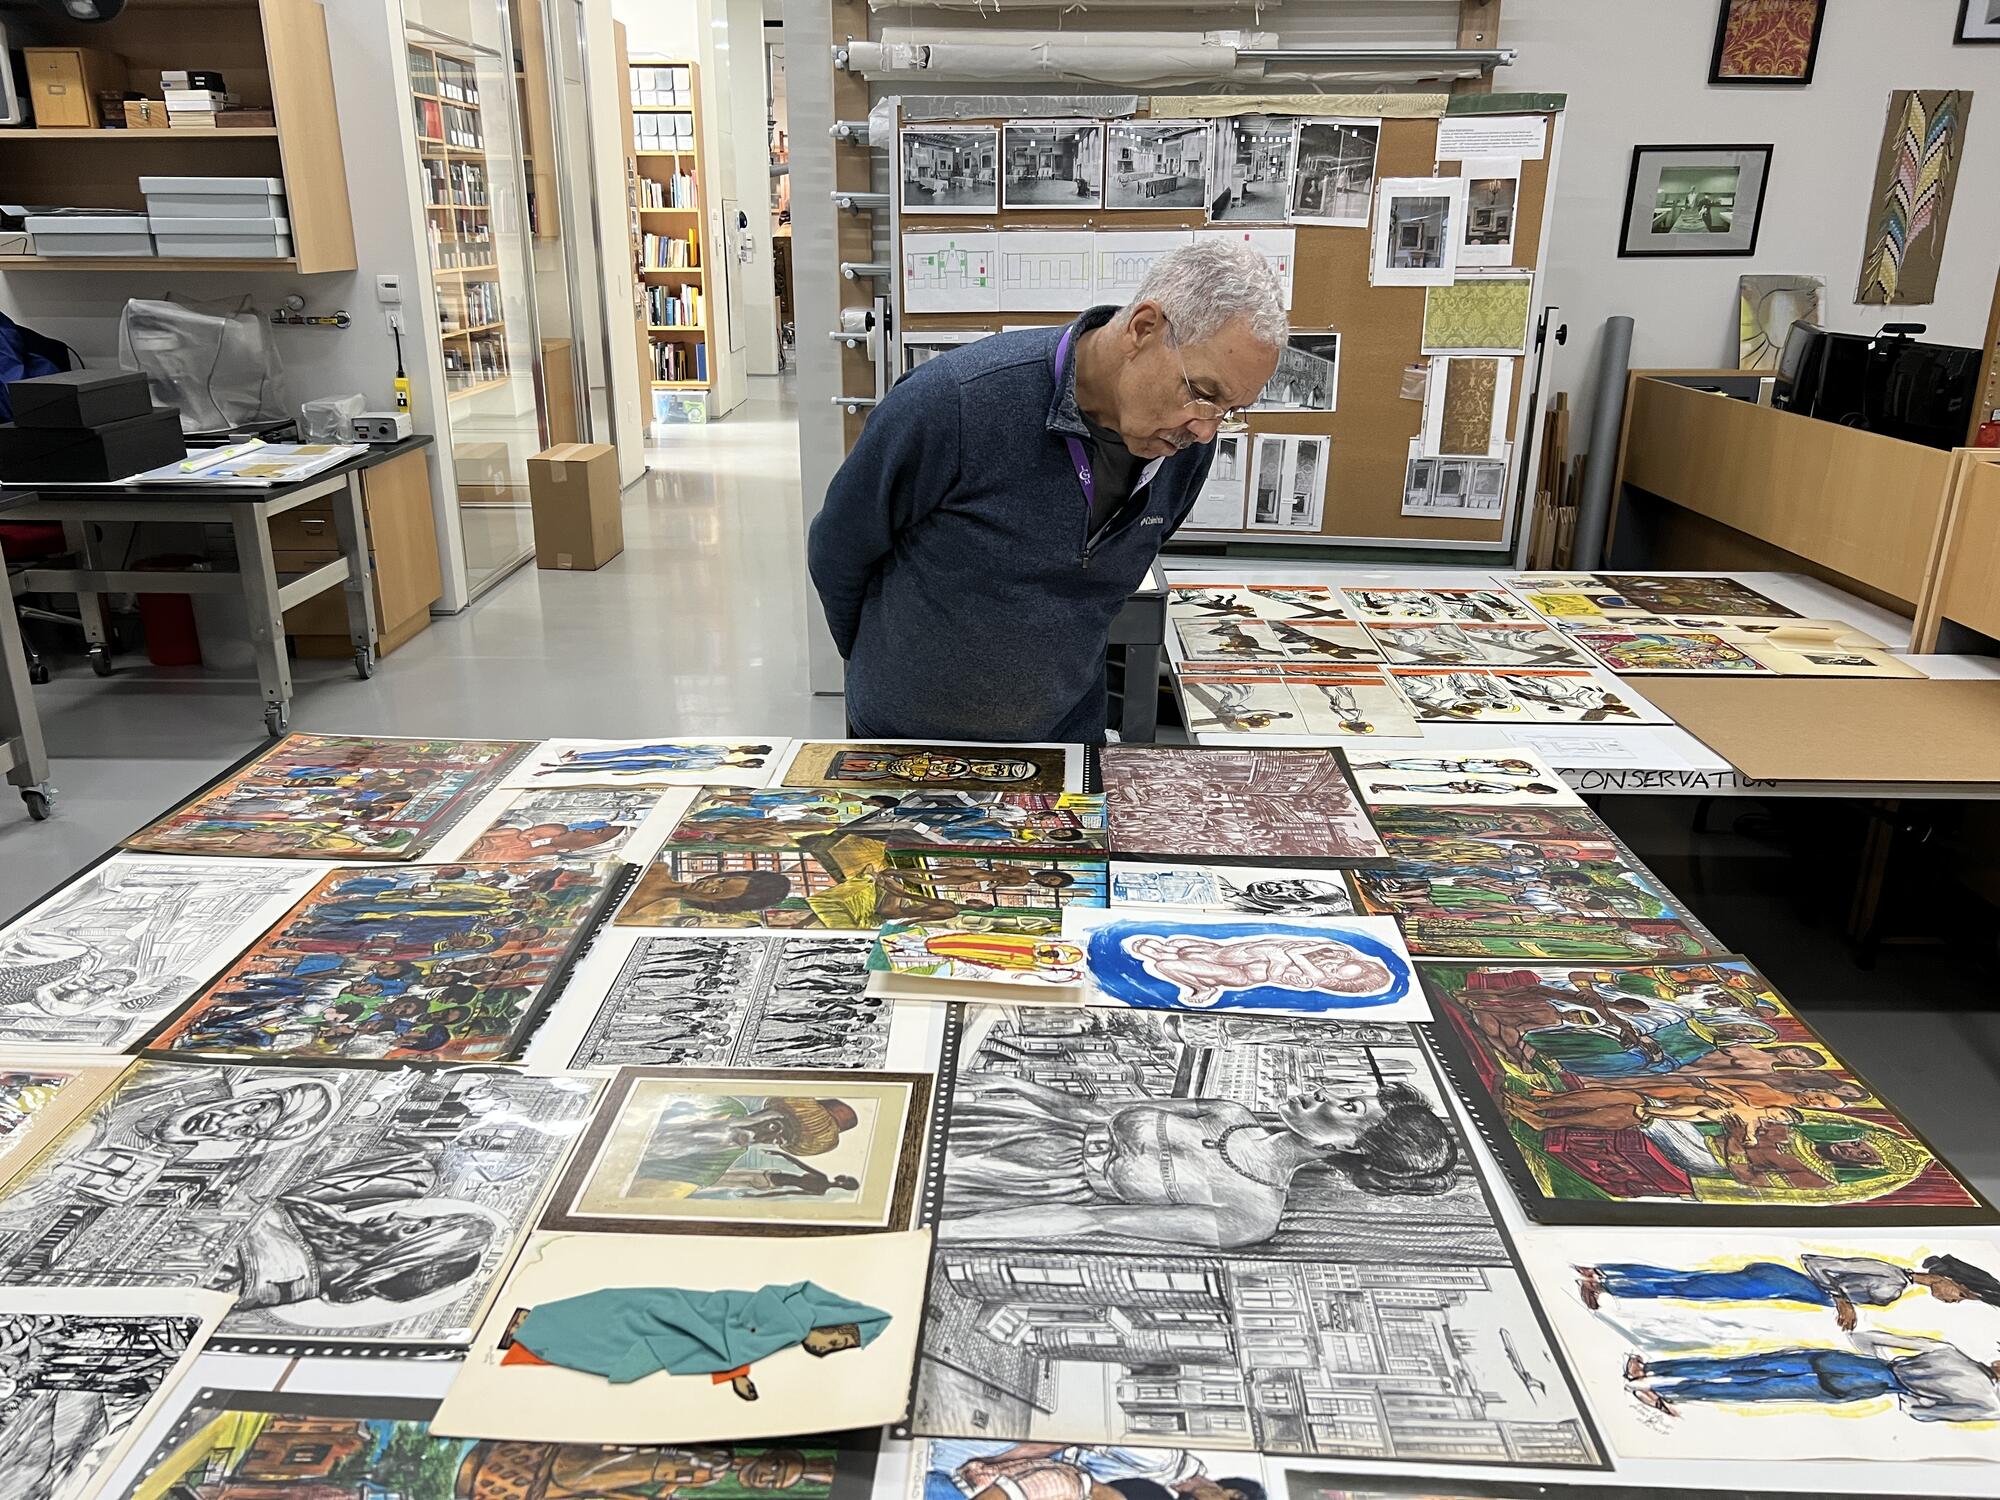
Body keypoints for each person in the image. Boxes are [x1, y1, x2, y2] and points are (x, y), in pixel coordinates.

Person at [809, 242, 1285, 743]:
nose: (1207, 429)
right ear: (1143, 330)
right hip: (908, 741)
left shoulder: (1183, 448)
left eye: (1229, 410)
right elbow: (837, 551)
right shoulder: (955, 403)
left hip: (1063, 741)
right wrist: (882, 672)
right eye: (1203, 392)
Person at [936, 1068, 1457, 1251]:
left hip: (1015, 1187)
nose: (1326, 1093)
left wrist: (944, 1234)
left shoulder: (1251, 1216)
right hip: (1011, 1125)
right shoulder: (1227, 1109)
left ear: (1351, 1147)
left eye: (1347, 1107)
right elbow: (1091, 1110)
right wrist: (1012, 1084)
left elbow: (1089, 1219)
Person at [1624, 1331, 2000, 1422]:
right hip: (1866, 1383)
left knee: (1744, 1369)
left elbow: (1869, 1337)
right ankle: (1667, 1392)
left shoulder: (1951, 1352)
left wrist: (1885, 1364)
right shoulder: (1988, 1403)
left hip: (1860, 1369)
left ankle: (1655, 1373)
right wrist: (1905, 1389)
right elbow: (1920, 1413)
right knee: (1755, 1388)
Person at [1577, 1252, 2000, 1328]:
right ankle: (1608, 1280)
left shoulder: (1897, 1290)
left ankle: (1606, 1277)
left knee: (1693, 1285)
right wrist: (1840, 1300)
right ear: (1952, 1280)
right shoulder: (1889, 1275)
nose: (1953, 1300)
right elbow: (1816, 1263)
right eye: (1959, 1294)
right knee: (1694, 1286)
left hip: (1784, 1291)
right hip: (1784, 1280)